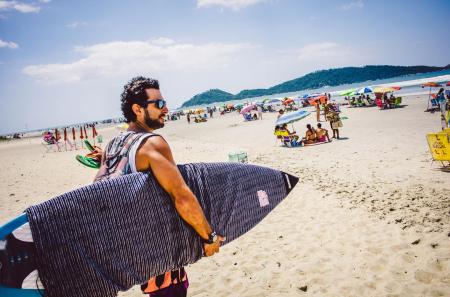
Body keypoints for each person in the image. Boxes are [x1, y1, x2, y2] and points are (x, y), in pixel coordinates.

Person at [94, 76, 224, 297]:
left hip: (125, 248)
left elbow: (103, 187)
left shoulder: (113, 143)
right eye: (159, 104)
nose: (166, 109)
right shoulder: (152, 143)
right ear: (137, 109)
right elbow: (181, 196)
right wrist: (209, 237)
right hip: (156, 248)